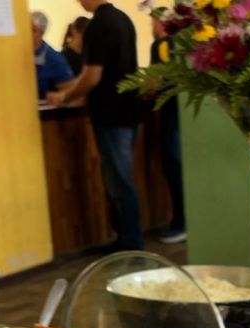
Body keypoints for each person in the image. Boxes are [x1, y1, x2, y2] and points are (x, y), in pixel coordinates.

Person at [48, 0, 144, 251]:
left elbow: (92, 76)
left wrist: (64, 96)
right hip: (129, 110)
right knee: (121, 179)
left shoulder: (98, 25)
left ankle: (131, 243)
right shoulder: (123, 19)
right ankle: (126, 239)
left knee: (120, 182)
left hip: (110, 114)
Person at [150, 17, 186, 243]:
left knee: (173, 166)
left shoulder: (161, 44)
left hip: (170, 113)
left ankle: (181, 223)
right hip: (184, 113)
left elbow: (155, 80)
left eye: (152, 23)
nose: (152, 28)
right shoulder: (184, 44)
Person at [31, 11, 74, 100]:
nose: (27, 33)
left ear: (41, 33)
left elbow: (71, 94)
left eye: (33, 30)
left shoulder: (54, 59)